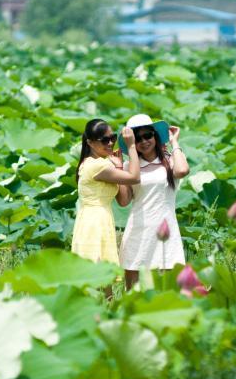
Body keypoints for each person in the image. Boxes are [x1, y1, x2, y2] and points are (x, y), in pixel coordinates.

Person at [116, 114, 189, 288]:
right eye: (137, 138)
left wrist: (174, 141)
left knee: (169, 288)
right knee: (134, 290)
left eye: (147, 135)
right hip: (138, 230)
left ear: (155, 136)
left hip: (166, 229)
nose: (144, 141)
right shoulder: (129, 167)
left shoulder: (170, 160)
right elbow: (124, 201)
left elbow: (182, 171)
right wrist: (119, 166)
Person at [71, 119, 140, 263]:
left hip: (102, 218)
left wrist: (119, 167)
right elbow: (134, 177)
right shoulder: (98, 166)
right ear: (90, 143)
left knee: (104, 276)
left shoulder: (101, 164)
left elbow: (123, 201)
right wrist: (131, 146)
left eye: (113, 138)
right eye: (104, 140)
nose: (110, 143)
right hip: (94, 223)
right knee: (96, 275)